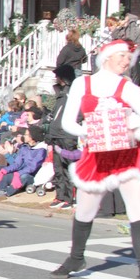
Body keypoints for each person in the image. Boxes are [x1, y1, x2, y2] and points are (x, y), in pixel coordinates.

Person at [50, 39, 140, 279]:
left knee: (138, 210)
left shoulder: (127, 86)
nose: (126, 62)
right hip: (96, 155)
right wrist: (89, 130)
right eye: (121, 56)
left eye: (129, 58)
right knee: (86, 210)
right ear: (106, 56)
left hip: (128, 155)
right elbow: (68, 122)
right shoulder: (82, 84)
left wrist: (134, 131)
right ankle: (76, 257)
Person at [46, 65, 78, 209]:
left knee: (68, 167)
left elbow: (78, 112)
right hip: (56, 135)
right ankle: (60, 196)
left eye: (58, 76)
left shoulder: (73, 93)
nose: (56, 79)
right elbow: (55, 115)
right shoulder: (61, 93)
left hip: (67, 135)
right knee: (58, 168)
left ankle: (71, 198)